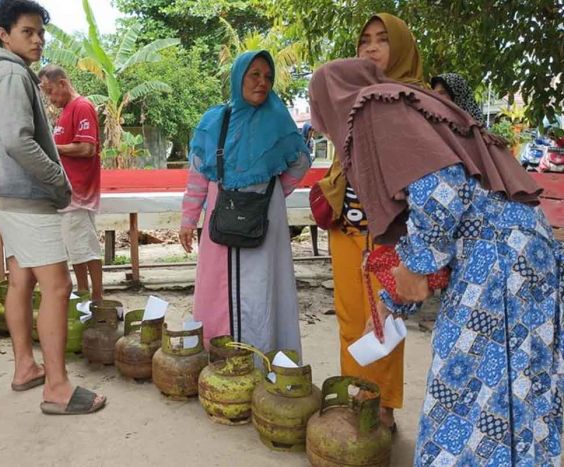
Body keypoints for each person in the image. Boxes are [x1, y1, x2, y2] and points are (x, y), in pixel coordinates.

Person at [310, 57, 563, 466]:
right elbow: (438, 209)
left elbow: (442, 194)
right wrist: (397, 299)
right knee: (512, 391)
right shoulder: (413, 106)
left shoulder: (375, 106)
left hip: (496, 258)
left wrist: (415, 266)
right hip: (519, 252)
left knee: (470, 396)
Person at [0, 0, 105, 415]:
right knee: (58, 286)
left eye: (40, 32)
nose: (38, 40)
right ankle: (57, 387)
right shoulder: (12, 74)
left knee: (21, 282)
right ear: (4, 33)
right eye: (27, 32)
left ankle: (25, 368)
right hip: (28, 199)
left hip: (7, 198)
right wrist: (57, 179)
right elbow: (17, 140)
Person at [315, 13, 423, 430]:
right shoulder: (351, 102)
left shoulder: (414, 102)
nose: (372, 48)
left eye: (382, 40)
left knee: (383, 320)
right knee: (349, 317)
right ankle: (353, 393)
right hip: (348, 229)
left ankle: (382, 406)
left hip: (390, 234)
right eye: (365, 41)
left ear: (402, 49)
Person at [179, 50, 310, 356]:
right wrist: (188, 219)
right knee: (217, 286)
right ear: (238, 77)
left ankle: (261, 360)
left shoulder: (278, 119)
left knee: (263, 287)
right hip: (221, 213)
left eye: (267, 76)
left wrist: (272, 193)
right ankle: (221, 357)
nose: (262, 82)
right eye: (254, 74)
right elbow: (198, 174)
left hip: (265, 218)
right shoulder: (214, 121)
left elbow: (300, 161)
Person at [38, 65, 103, 302]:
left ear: (63, 83)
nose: (50, 98)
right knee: (76, 249)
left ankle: (96, 297)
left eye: (51, 91)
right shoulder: (66, 112)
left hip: (79, 194)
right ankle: (84, 293)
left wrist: (52, 148)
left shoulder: (82, 107)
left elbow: (87, 148)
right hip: (68, 194)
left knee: (85, 247)